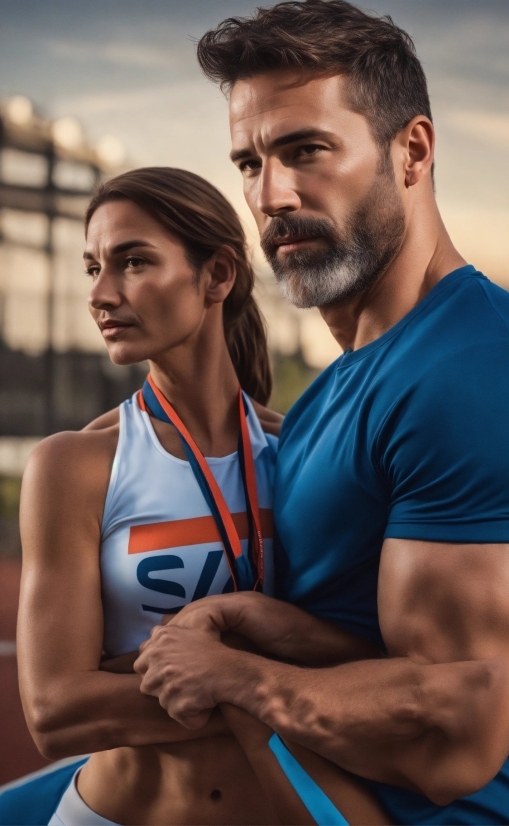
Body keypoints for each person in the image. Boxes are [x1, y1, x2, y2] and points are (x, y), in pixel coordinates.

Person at [134, 2, 509, 824]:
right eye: (248, 162)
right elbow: (411, 655)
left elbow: (459, 739)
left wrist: (236, 672)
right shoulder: (346, 386)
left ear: (410, 151)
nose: (270, 196)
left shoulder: (481, 376)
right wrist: (250, 619)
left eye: (306, 150)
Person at [8, 166, 397, 826]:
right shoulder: (73, 467)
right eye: (92, 268)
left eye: (132, 262)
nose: (101, 293)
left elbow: (384, 658)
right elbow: (58, 711)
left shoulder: (302, 454)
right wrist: (273, 678)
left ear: (217, 276)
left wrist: (179, 670)